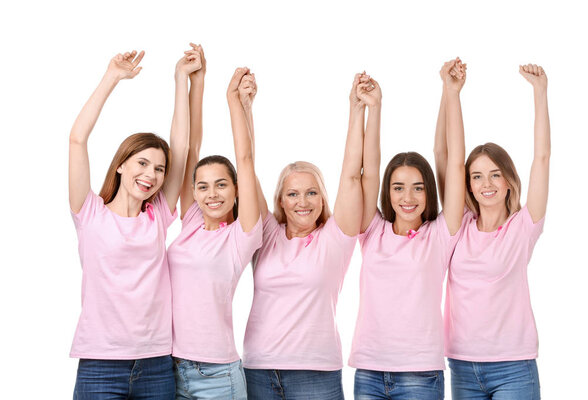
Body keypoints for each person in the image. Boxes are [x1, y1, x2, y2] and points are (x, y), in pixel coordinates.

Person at [69, 46, 202, 399]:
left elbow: (182, 145)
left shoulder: (157, 215)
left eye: (159, 168)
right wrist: (111, 77)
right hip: (100, 364)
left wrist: (180, 80)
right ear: (121, 165)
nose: (151, 174)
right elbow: (77, 139)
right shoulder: (90, 212)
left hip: (156, 363)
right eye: (142, 163)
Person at [241, 73, 370, 400]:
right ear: (280, 200)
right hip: (259, 371)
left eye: (312, 192)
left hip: (316, 374)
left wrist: (356, 109)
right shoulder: (267, 233)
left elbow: (352, 175)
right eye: (293, 194)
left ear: (323, 199)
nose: (302, 201)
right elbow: (246, 166)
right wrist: (244, 108)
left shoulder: (335, 239)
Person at [349, 59, 467, 400]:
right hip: (369, 371)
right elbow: (366, 170)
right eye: (398, 187)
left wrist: (452, 94)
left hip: (420, 375)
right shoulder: (372, 231)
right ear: (388, 191)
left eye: (418, 187)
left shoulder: (440, 234)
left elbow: (455, 163)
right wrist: (374, 108)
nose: (408, 197)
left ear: (429, 190)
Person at [440, 64, 550, 399]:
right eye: (476, 176)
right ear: (468, 184)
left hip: (514, 367)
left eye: (494, 174)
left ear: (508, 181)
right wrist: (451, 94)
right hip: (461, 365)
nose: (485, 183)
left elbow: (542, 158)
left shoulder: (523, 227)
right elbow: (447, 157)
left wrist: (540, 92)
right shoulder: (458, 225)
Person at [167, 43, 262, 400]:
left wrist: (235, 103)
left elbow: (247, 159)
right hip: (169, 368)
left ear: (237, 191)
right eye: (203, 186)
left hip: (219, 376)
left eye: (221, 185)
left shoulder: (242, 235)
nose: (212, 194)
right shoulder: (190, 221)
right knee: (190, 154)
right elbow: (189, 149)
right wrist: (197, 81)